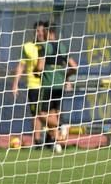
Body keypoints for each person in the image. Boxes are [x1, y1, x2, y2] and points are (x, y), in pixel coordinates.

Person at [36, 23, 78, 153]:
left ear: (47, 32)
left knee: (41, 115)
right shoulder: (62, 47)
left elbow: (40, 68)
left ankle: (61, 125)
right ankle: (57, 143)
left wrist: (35, 71)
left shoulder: (44, 47)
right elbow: (74, 67)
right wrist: (65, 76)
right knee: (53, 112)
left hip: (48, 85)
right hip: (59, 86)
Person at [11, 20, 47, 148]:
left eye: (42, 31)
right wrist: (15, 84)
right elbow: (21, 65)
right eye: (37, 31)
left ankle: (52, 137)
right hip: (34, 85)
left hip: (49, 85)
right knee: (36, 114)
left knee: (50, 112)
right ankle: (37, 141)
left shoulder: (51, 46)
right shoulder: (28, 47)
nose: (40, 34)